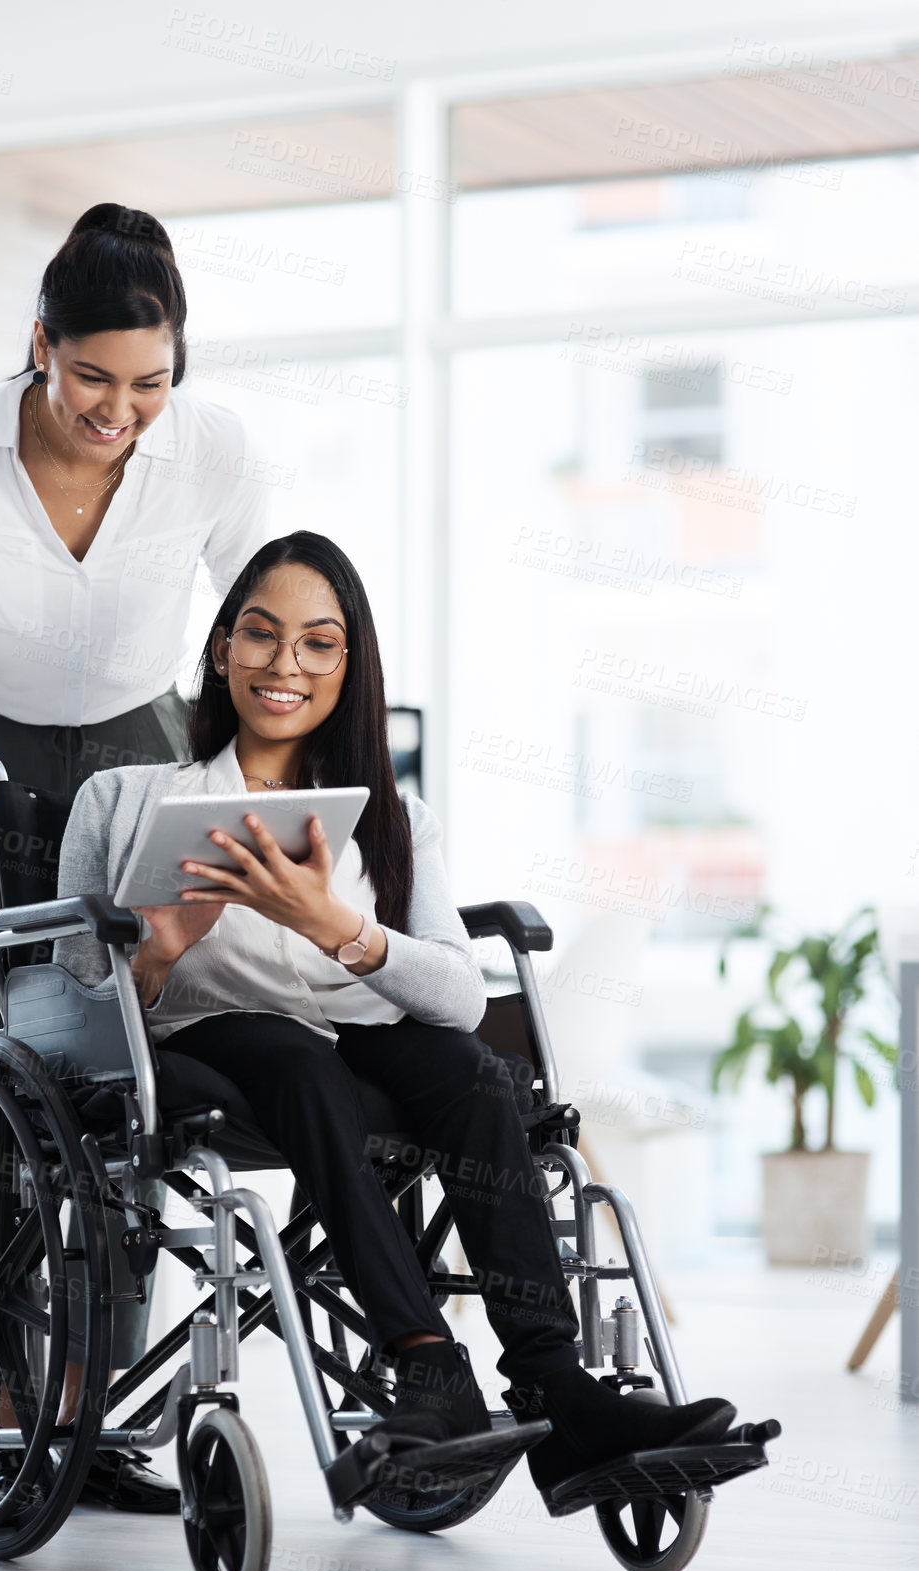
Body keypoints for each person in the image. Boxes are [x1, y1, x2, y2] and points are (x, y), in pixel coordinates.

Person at [54, 530, 740, 1498]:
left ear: (348, 663)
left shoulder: (394, 820)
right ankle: (426, 1361)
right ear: (221, 651)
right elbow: (64, 996)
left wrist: (337, 926)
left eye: (318, 643)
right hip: (203, 1042)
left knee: (473, 1072)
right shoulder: (123, 800)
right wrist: (162, 950)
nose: (284, 664)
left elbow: (459, 998)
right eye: (259, 635)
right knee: (294, 1057)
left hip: (357, 1034)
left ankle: (558, 1385)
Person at [0, 202, 273, 1512]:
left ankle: (97, 1406)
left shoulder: (205, 449)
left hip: (137, 749)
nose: (118, 410)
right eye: (91, 376)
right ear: (37, 343)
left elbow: (258, 606)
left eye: (148, 382)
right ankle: (0, 1388)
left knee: (122, 1066)